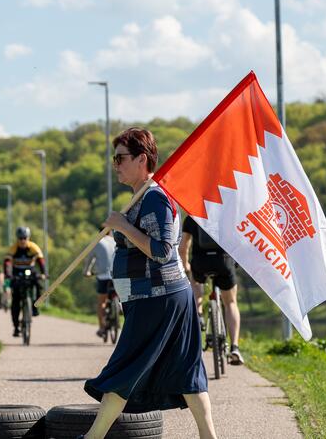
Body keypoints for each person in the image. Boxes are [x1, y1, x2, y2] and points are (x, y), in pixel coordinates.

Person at [81, 128, 215, 439]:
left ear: (142, 159)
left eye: (121, 158)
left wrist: (123, 226)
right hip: (158, 298)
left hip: (160, 299)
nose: (116, 165)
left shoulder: (155, 197)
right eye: (114, 159)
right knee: (186, 374)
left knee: (126, 368)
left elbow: (162, 250)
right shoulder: (140, 197)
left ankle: (92, 438)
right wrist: (123, 226)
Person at [179, 215, 244, 365]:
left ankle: (199, 312)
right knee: (231, 303)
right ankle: (234, 347)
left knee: (195, 284)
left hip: (201, 263)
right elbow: (240, 241)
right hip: (224, 261)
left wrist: (186, 266)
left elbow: (183, 248)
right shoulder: (227, 213)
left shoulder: (191, 217)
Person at [5, 227, 46, 337]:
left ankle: (35, 307)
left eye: (25, 238)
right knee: (16, 301)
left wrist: (43, 273)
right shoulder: (13, 248)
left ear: (28, 238)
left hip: (30, 271)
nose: (23, 240)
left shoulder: (33, 247)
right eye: (20, 238)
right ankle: (16, 327)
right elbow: (8, 263)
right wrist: (8, 274)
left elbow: (41, 261)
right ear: (17, 238)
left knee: (38, 285)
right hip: (17, 272)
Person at [83, 234, 116, 338]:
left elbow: (90, 259)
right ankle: (118, 306)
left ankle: (102, 328)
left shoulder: (98, 242)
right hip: (117, 275)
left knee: (101, 302)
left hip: (103, 276)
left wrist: (87, 271)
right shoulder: (116, 240)